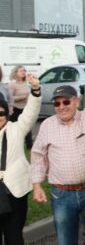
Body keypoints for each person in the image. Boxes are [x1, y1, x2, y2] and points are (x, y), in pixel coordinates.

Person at [31, 70, 85, 245]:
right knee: (65, 240)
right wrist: (37, 185)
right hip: (62, 194)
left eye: (66, 101)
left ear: (76, 101)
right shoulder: (47, 125)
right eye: (57, 103)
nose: (61, 106)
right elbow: (38, 154)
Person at [0, 73, 41, 245]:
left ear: (7, 113)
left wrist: (35, 90)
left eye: (1, 113)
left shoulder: (17, 128)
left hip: (15, 191)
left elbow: (30, 112)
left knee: (14, 235)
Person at [7, 66, 31, 148]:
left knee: (27, 126)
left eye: (24, 70)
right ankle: (12, 145)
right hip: (16, 109)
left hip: (26, 108)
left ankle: (29, 145)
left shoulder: (26, 83)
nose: (23, 72)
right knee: (14, 129)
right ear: (15, 73)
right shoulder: (12, 85)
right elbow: (10, 98)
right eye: (21, 71)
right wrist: (22, 97)